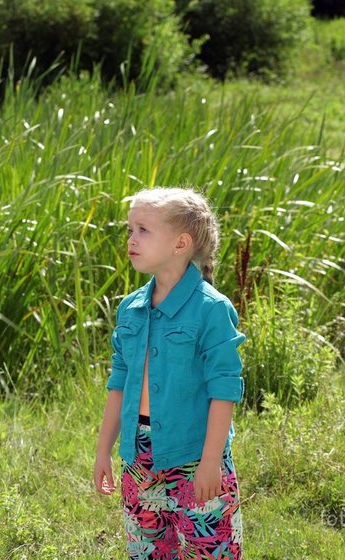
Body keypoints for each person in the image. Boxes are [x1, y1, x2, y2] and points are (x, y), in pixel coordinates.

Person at [94, 187, 246, 559]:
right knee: (147, 551)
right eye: (130, 230)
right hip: (139, 457)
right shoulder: (130, 309)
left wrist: (212, 462)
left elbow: (223, 389)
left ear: (180, 244)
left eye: (143, 230)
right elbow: (119, 384)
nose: (131, 239)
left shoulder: (211, 310)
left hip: (196, 455)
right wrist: (103, 451)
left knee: (212, 551)